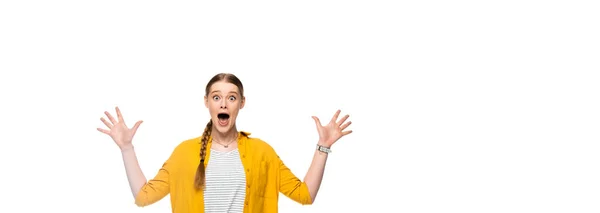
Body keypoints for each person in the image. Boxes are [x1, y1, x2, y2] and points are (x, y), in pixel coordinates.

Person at [96, 73, 353, 213]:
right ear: (207, 102)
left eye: (231, 98)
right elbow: (143, 197)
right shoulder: (184, 153)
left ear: (241, 104)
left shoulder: (262, 152)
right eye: (216, 97)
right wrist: (127, 149)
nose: (223, 103)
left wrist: (323, 147)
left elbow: (304, 195)